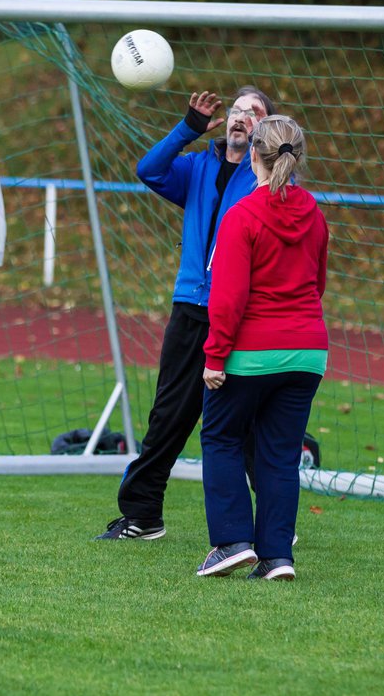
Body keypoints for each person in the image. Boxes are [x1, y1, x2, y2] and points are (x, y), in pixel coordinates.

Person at [95, 85, 275, 540]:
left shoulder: (266, 182)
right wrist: (189, 128)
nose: (239, 117)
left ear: (266, 130)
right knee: (169, 416)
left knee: (250, 424)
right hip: (191, 310)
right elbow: (149, 169)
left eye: (253, 113)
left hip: (243, 317)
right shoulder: (197, 166)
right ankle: (142, 515)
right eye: (236, 110)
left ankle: (273, 524)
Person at [194, 115, 329, 581]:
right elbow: (319, 283)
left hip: (252, 351)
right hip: (308, 352)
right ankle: (276, 557)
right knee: (279, 453)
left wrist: (215, 357)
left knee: (221, 437)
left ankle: (231, 541)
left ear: (253, 156)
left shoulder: (242, 216)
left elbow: (227, 298)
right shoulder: (314, 212)